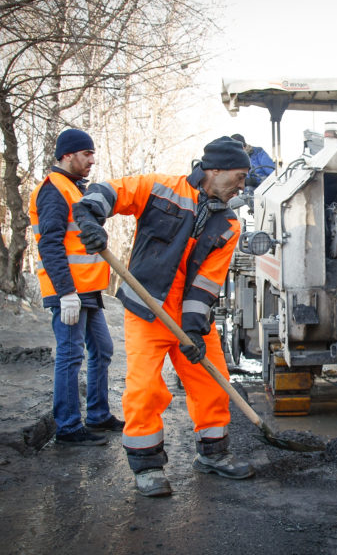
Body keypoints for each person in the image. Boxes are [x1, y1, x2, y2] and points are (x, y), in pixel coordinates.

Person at [72, 136, 254, 497]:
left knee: (211, 383)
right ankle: (147, 467)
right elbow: (108, 194)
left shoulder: (229, 225)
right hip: (148, 307)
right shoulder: (158, 188)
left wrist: (194, 332)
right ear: (213, 170)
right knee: (144, 390)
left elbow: (206, 282)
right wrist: (89, 218)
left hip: (191, 316)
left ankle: (213, 455)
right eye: (238, 176)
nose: (241, 185)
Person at [29, 128, 123, 447]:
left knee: (103, 349)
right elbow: (51, 244)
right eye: (86, 154)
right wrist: (66, 292)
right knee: (70, 355)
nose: (91, 160)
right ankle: (68, 427)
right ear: (67, 155)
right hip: (69, 292)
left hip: (87, 292)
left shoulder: (74, 189)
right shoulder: (54, 190)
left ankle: (97, 415)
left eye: (93, 154)